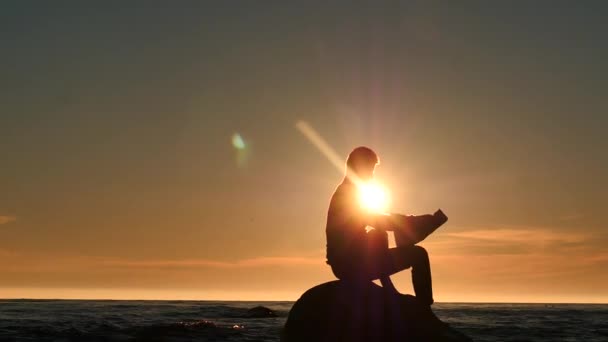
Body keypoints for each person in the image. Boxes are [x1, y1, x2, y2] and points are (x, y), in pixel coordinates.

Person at [325, 146, 444, 306]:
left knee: (377, 235)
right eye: (370, 169)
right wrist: (408, 223)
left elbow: (372, 223)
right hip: (351, 264)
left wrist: (404, 222)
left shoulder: (348, 191)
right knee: (419, 255)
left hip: (349, 262)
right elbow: (373, 219)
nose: (372, 175)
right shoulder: (348, 194)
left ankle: (392, 289)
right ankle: (424, 306)